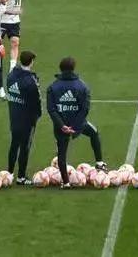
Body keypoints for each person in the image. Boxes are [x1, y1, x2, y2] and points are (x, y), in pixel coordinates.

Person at [46, 56, 106, 188]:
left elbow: (51, 109)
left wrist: (62, 126)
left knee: (62, 153)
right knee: (94, 132)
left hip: (60, 126)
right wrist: (74, 126)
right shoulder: (82, 86)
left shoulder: (52, 87)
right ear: (73, 68)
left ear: (60, 69)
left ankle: (66, 182)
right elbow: (85, 109)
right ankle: (99, 163)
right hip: (78, 124)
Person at [5, 50, 42, 185]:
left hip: (14, 115)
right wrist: (37, 115)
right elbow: (36, 101)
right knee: (25, 147)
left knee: (14, 145)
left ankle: (9, 174)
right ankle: (21, 177)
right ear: (31, 62)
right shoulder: (30, 81)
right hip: (27, 119)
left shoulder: (11, 76)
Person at [2, 0, 25, 71]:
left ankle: (12, 67)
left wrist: (16, 13)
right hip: (3, 21)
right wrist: (15, 12)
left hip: (15, 22)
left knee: (15, 43)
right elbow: (1, 8)